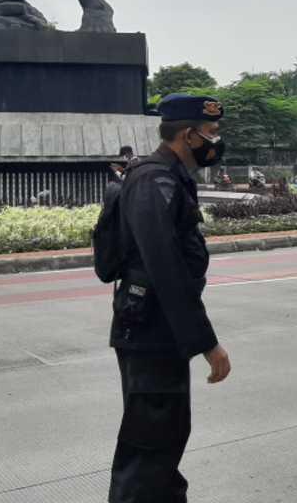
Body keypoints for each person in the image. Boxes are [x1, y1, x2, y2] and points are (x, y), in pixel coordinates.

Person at [109, 94, 231, 503]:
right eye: (211, 133)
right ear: (187, 134)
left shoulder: (171, 177)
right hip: (149, 332)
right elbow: (166, 268)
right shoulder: (153, 180)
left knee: (166, 442)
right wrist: (207, 343)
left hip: (160, 332)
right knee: (148, 451)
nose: (216, 142)